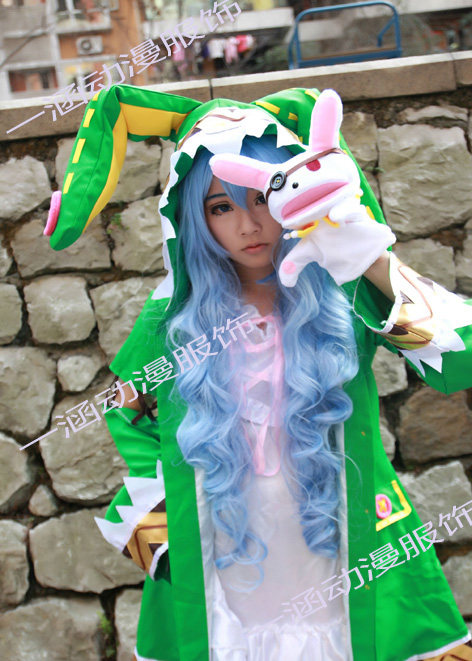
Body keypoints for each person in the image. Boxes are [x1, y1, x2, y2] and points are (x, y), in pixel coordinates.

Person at [45, 84, 472, 661]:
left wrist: (369, 257)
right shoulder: (173, 318)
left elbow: (458, 361)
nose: (247, 224)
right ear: (193, 220)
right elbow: (127, 410)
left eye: (261, 197)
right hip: (225, 552)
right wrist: (161, 521)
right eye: (220, 207)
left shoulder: (344, 289)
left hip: (339, 542)